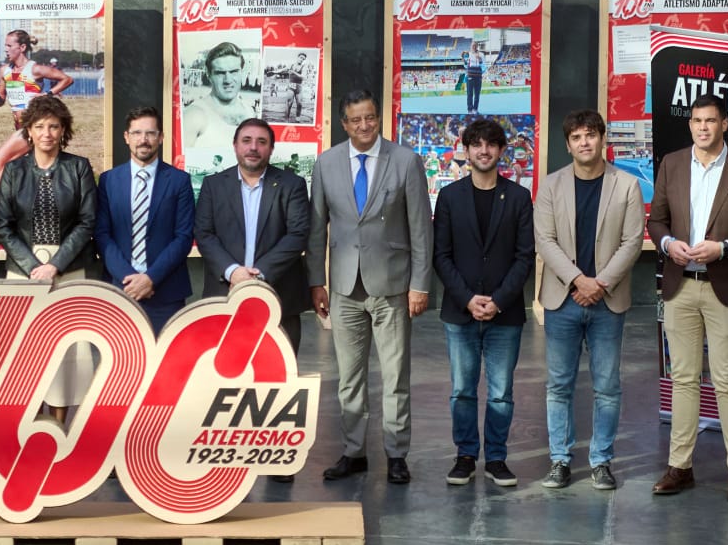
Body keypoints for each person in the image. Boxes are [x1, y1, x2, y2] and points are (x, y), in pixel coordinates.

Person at [646, 93, 728, 503]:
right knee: (683, 379)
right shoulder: (671, 164)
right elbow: (656, 220)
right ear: (690, 125)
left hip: (726, 287)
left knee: (727, 381)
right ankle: (679, 467)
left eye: (710, 120)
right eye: (696, 120)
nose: (702, 127)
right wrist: (667, 243)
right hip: (680, 284)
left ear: (724, 124)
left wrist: (725, 248)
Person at [309, 89, 432, 485]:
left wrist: (420, 285)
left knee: (395, 376)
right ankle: (354, 451)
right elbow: (317, 229)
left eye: (370, 117)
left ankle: (396, 454)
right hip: (344, 288)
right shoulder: (326, 164)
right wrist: (316, 281)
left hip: (392, 286)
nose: (365, 126)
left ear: (379, 118)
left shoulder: (405, 161)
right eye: (356, 120)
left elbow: (421, 229)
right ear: (344, 124)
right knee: (349, 377)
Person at [533, 110, 642, 490]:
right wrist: (579, 280)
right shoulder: (551, 186)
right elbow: (545, 240)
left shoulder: (626, 185)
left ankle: (601, 461)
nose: (584, 142)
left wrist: (601, 283)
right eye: (577, 137)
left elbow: (632, 242)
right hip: (562, 300)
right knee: (559, 385)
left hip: (607, 302)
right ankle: (560, 460)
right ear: (568, 145)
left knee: (607, 387)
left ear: (602, 138)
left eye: (590, 135)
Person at [434, 117, 534, 488]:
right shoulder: (449, 197)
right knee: (462, 390)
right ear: (466, 150)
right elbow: (441, 255)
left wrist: (499, 300)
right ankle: (465, 456)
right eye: (476, 144)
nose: (484, 150)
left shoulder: (518, 198)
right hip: (460, 313)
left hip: (504, 314)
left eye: (491, 144)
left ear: (502, 150)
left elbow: (525, 256)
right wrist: (466, 299)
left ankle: (496, 458)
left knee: (500, 393)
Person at [0, 93, 97, 417]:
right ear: (29, 130)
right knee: (25, 351)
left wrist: (55, 265)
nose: (47, 133)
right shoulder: (14, 171)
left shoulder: (78, 168)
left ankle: (58, 429)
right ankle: (28, 427)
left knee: (66, 352)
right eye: (39, 126)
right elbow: (3, 225)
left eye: (53, 126)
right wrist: (32, 268)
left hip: (68, 271)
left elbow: (87, 222)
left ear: (63, 129)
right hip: (23, 273)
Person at [196, 117, 312, 354]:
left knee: (280, 371)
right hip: (224, 295)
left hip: (280, 297)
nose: (253, 147)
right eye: (246, 140)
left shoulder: (292, 184)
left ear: (271, 148)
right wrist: (233, 272)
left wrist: (257, 275)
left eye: (261, 142)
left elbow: (298, 234)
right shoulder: (213, 185)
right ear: (235, 145)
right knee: (225, 369)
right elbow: (204, 234)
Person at [97, 106, 194, 334]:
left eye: (150, 133)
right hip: (120, 289)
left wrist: (150, 279)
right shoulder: (109, 180)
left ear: (161, 137)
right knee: (121, 354)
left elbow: (183, 237)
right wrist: (129, 279)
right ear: (126, 137)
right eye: (137, 133)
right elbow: (102, 235)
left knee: (166, 355)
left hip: (166, 292)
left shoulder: (179, 181)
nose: (144, 140)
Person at [0, 29, 74, 178]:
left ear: (22, 47)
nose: (6, 49)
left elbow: (67, 79)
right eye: (5, 46)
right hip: (19, 126)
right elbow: (0, 101)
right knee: (26, 172)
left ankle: (6, 195)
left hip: (33, 126)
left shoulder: (35, 69)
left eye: (9, 46)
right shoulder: (4, 71)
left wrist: (47, 94)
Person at [183, 42, 257, 157]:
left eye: (234, 71)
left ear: (242, 72)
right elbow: (179, 164)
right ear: (209, 75)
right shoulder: (194, 115)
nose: (228, 80)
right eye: (220, 73)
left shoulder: (249, 112)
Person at [464, 46, 486, 114]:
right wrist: (465, 61)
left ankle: (475, 109)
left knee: (477, 94)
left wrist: (480, 60)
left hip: (478, 77)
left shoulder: (481, 54)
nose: (473, 47)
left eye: (474, 46)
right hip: (470, 76)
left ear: (477, 47)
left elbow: (484, 67)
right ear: (471, 47)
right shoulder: (468, 54)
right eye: (472, 46)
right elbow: (465, 66)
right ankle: (470, 110)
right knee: (469, 94)